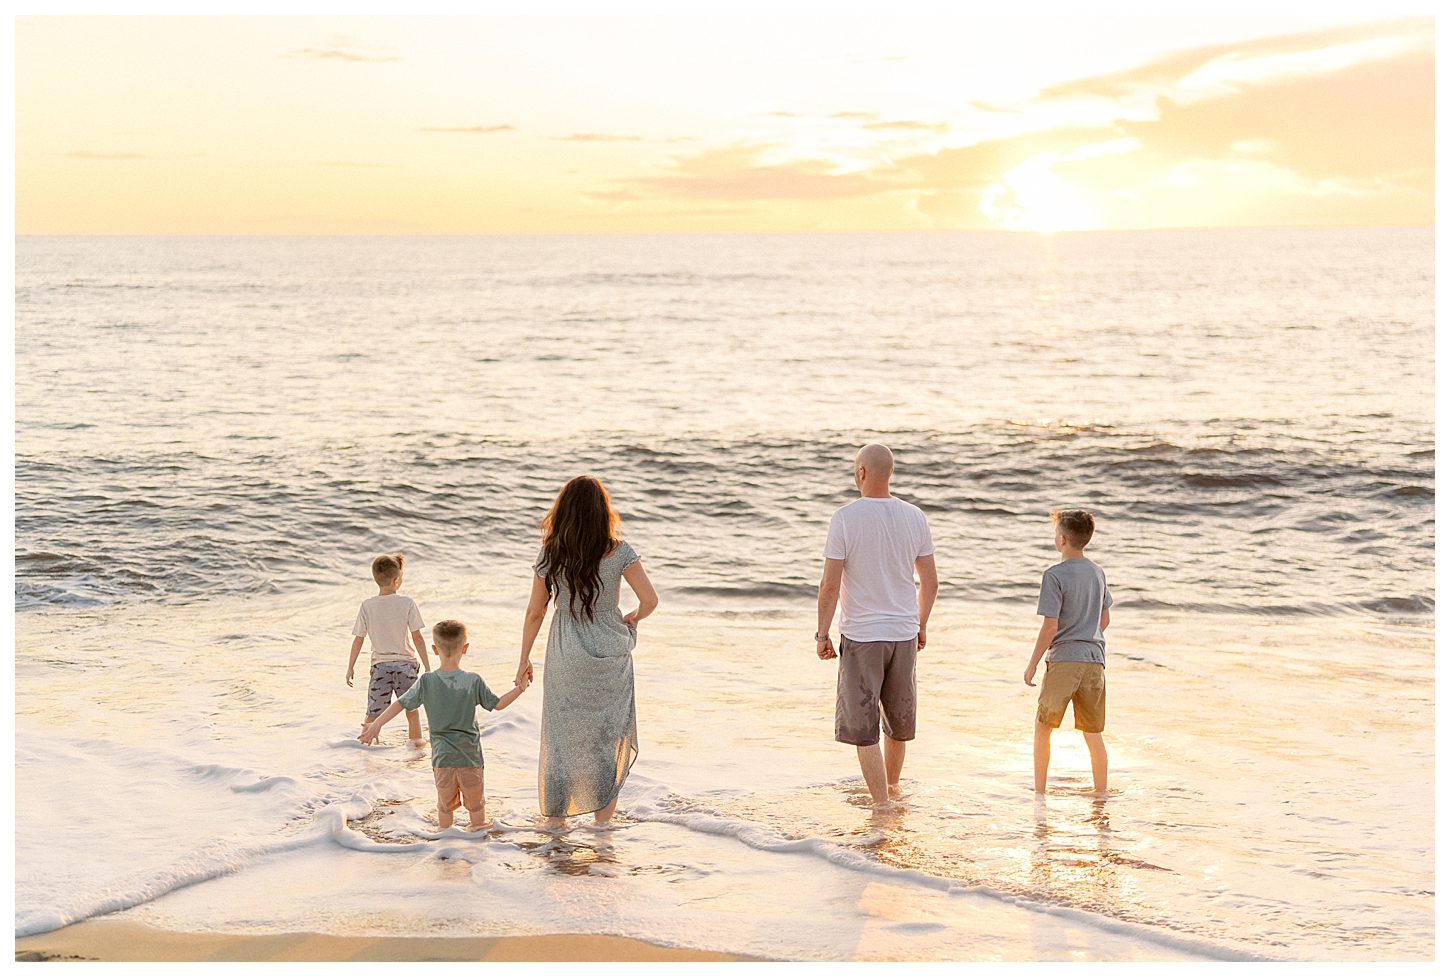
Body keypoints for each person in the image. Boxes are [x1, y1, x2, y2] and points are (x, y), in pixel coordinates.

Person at [516, 475, 659, 826]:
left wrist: (524, 659)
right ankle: (602, 828)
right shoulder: (619, 551)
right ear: (603, 511)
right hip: (610, 648)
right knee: (606, 738)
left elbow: (536, 612)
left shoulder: (551, 554)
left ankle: (556, 825)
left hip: (566, 651)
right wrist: (631, 618)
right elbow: (650, 600)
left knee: (562, 736)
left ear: (563, 510)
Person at [816, 443, 938, 806]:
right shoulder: (914, 516)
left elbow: (829, 585)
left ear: (861, 473)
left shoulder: (845, 518)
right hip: (903, 633)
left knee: (863, 727)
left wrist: (822, 634)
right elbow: (930, 582)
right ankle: (893, 790)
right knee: (898, 722)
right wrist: (921, 624)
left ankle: (882, 805)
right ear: (892, 473)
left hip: (863, 635)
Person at [359, 620, 527, 831]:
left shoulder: (427, 681)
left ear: (434, 650)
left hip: (442, 760)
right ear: (465, 649)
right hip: (470, 759)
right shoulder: (473, 680)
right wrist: (520, 689)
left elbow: (399, 704)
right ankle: (478, 850)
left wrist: (376, 725)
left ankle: (444, 853)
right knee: (476, 810)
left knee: (445, 810)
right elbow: (499, 704)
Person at [1023, 509, 1113, 794]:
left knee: (1043, 728)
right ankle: (1100, 795)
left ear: (1061, 539)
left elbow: (1051, 627)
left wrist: (1032, 664)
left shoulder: (1054, 575)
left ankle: (1039, 794)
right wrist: (1086, 635)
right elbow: (1105, 619)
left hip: (1064, 661)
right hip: (1095, 661)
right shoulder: (1098, 572)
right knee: (1093, 734)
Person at [346, 553, 431, 747]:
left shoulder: (367, 605)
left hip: (380, 667)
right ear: (397, 580)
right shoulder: (407, 603)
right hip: (406, 665)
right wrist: (427, 666)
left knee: (372, 713)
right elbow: (417, 637)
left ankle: (364, 749)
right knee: (412, 711)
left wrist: (350, 667)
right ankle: (415, 747)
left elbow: (358, 639)